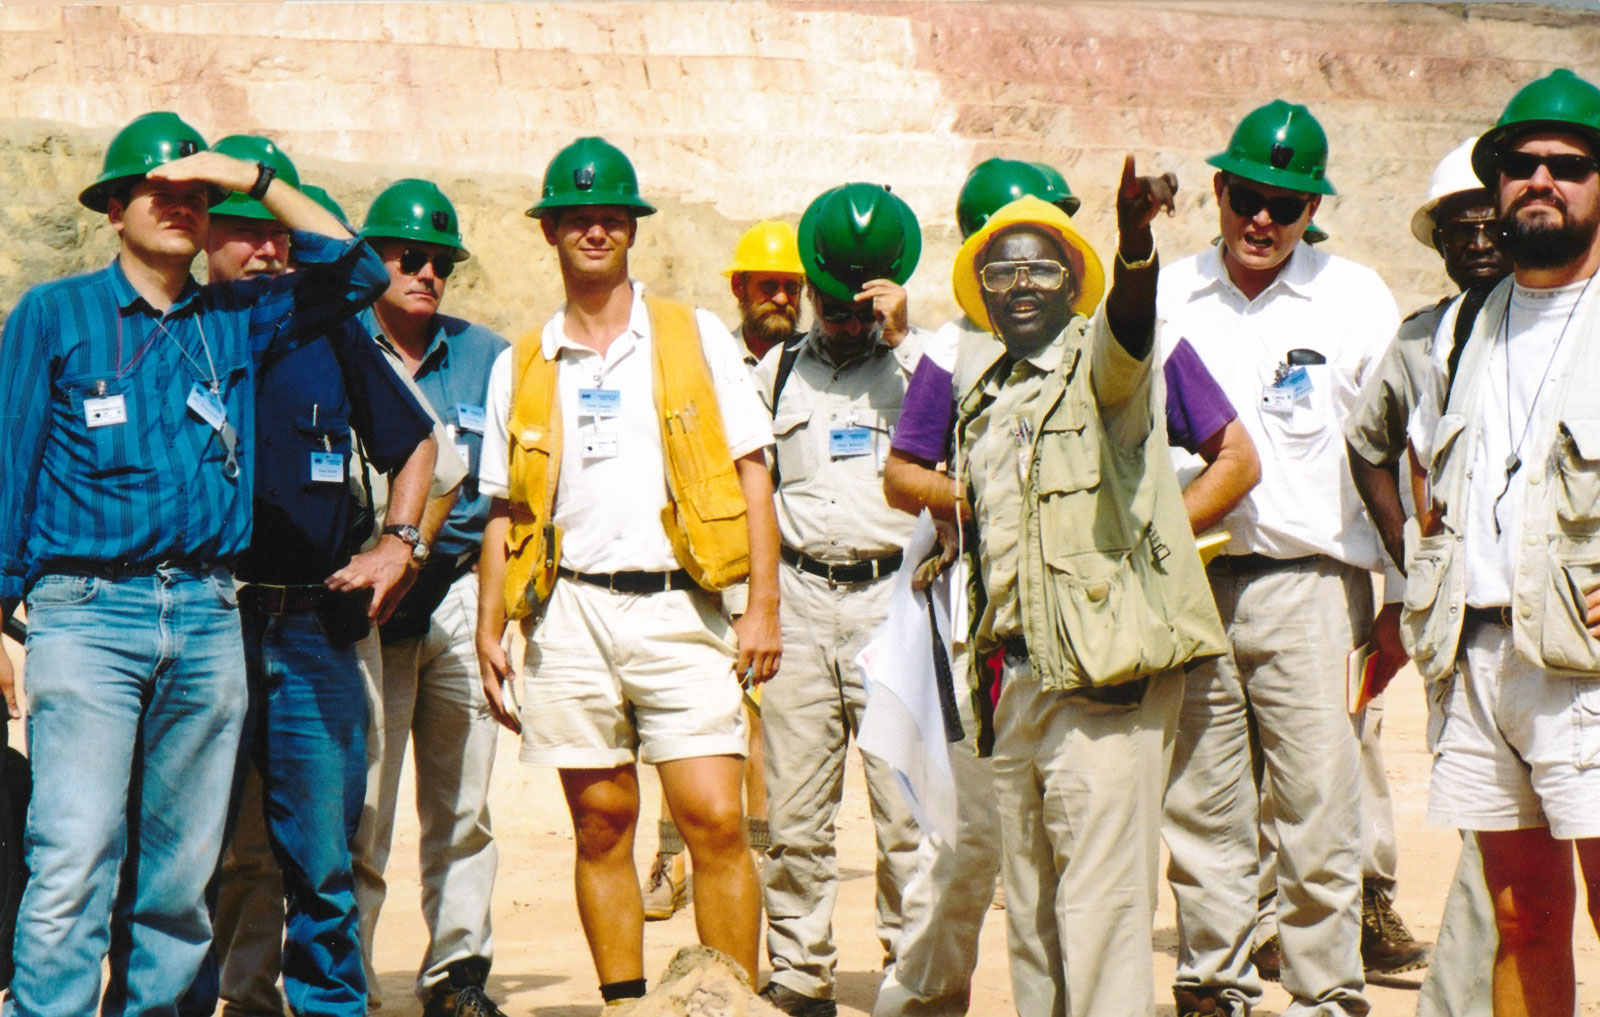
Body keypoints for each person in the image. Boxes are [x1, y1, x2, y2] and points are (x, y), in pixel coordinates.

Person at [0, 111, 387, 1016]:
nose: (178, 206)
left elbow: (359, 270)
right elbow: (6, 464)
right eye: (158, 190)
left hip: (209, 613)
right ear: (113, 206)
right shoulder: (55, 314)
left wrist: (248, 178)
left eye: (194, 195)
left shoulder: (238, 320)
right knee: (76, 852)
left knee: (179, 878)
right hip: (86, 612)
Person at [877, 157, 1257, 1017]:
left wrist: (1133, 245)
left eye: (1041, 268)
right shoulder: (980, 388)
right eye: (1001, 270)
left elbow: (1132, 337)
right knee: (1037, 923)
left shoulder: (1107, 369)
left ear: (1071, 280)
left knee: (1101, 915)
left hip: (1103, 684)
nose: (1021, 286)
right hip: (1012, 679)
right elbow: (915, 480)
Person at [474, 135, 781, 1005]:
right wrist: (489, 626)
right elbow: (503, 510)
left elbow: (755, 471)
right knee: (600, 822)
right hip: (569, 615)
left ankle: (728, 1000)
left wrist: (763, 605)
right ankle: (626, 1003)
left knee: (716, 818)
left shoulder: (694, 337)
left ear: (632, 230)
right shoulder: (523, 361)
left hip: (682, 611)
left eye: (611, 218)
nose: (596, 232)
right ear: (550, 233)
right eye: (579, 219)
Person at [179, 135, 440, 1017]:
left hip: (311, 627)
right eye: (248, 231)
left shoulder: (325, 328)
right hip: (201, 618)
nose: (269, 249)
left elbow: (414, 442)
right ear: (202, 233)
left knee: (322, 855)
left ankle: (328, 1006)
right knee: (189, 849)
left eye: (277, 232)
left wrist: (398, 540)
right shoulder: (181, 333)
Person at [1157, 99, 1406, 1017]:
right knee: (1203, 799)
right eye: (1249, 196)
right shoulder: (1170, 294)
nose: (1263, 219)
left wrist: (1401, 591)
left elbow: (1391, 451)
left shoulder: (1353, 299)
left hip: (1314, 585)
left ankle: (1322, 988)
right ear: (1218, 191)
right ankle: (1212, 982)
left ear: (1311, 212)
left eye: (1287, 204)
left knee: (1316, 799)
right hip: (1190, 583)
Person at [1402, 67, 1600, 1017]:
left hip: (1587, 666)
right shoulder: (1465, 325)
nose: (1542, 181)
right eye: (1520, 164)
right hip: (1478, 658)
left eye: (1569, 164)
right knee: (1519, 916)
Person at [1344, 135, 1511, 1017]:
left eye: (1490, 222)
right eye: (1459, 228)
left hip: (1562, 613)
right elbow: (1369, 442)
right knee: (1494, 828)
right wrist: (1413, 553)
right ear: (1439, 242)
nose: (1478, 241)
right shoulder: (1420, 342)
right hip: (1464, 621)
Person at [754, 183, 925, 1017]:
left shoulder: (921, 368)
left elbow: (973, 418)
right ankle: (799, 968)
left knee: (905, 808)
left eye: (861, 308)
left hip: (894, 602)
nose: (846, 322)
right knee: (794, 810)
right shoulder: (777, 369)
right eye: (834, 304)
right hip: (797, 598)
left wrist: (908, 334)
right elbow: (749, 485)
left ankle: (912, 967)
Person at [351, 179, 510, 1017]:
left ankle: (458, 972)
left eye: (440, 262)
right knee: (364, 803)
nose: (425, 272)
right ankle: (350, 979)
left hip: (453, 591)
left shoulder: (487, 357)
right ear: (371, 259)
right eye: (408, 257)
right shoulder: (335, 345)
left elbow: (507, 497)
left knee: (465, 802)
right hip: (361, 599)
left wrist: (496, 615)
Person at [639, 218, 802, 922]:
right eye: (768, 285)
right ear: (739, 288)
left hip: (786, 573)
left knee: (763, 731)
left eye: (791, 286)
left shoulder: (814, 366)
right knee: (694, 722)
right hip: (710, 565)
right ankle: (672, 860)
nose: (781, 298)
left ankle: (753, 856)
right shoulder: (703, 360)